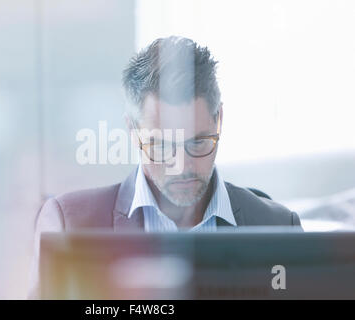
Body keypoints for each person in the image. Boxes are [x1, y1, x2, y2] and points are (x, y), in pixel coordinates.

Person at [28, 36, 302, 298]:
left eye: (197, 142)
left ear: (219, 120)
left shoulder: (278, 225)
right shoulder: (71, 225)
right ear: (133, 131)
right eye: (160, 146)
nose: (181, 166)